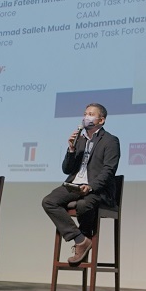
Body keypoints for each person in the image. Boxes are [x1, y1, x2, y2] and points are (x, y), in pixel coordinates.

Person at [41, 103, 120, 265]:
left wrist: (91, 186)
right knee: (49, 201)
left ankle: (83, 238)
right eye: (85, 114)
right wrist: (71, 149)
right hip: (74, 185)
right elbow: (67, 169)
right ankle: (81, 239)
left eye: (91, 114)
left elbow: (108, 170)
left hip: (98, 190)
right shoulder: (80, 140)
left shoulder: (110, 141)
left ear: (101, 120)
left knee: (84, 205)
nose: (86, 117)